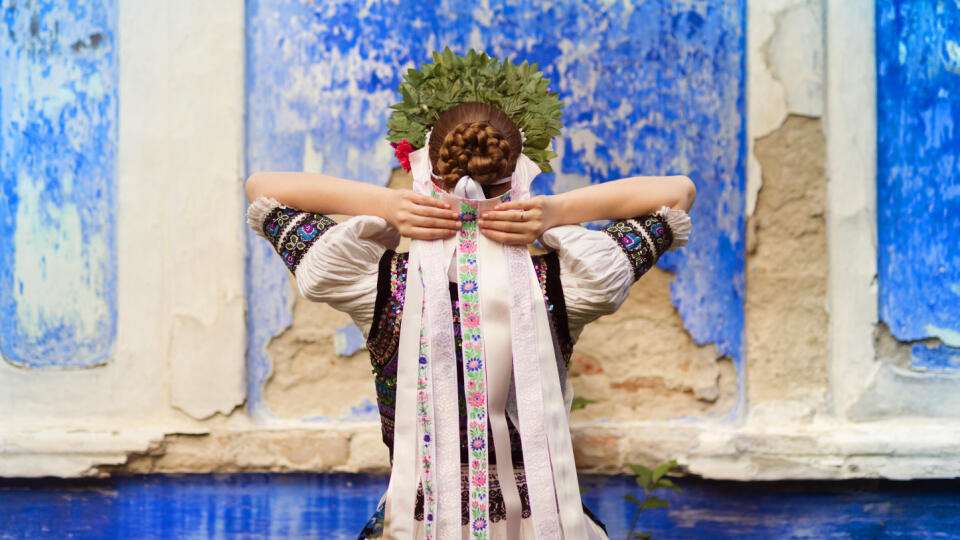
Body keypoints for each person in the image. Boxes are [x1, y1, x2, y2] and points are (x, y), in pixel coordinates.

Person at [245, 49, 694, 540]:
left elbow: (262, 188)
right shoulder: (568, 283)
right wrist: (557, 211)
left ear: (426, 177)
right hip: (542, 522)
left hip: (415, 525)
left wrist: (388, 204)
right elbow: (678, 192)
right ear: (520, 175)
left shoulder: (374, 284)